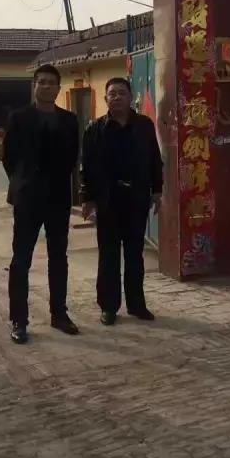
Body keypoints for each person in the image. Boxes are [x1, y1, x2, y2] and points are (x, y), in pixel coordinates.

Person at [3, 64, 80, 344]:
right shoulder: (19, 118)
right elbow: (9, 158)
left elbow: (72, 158)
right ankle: (19, 320)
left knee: (58, 257)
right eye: (41, 82)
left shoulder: (69, 120)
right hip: (28, 198)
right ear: (34, 86)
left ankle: (59, 314)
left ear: (59, 88)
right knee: (21, 259)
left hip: (58, 198)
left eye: (51, 83)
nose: (46, 86)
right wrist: (23, 183)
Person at [81, 78, 163, 325]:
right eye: (112, 93)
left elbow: (154, 159)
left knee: (135, 254)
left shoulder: (144, 126)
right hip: (108, 200)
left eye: (121, 93)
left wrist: (157, 190)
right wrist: (87, 199)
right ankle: (108, 307)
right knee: (108, 255)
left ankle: (137, 305)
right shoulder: (95, 129)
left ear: (130, 96)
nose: (116, 97)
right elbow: (87, 167)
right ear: (105, 98)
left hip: (136, 198)